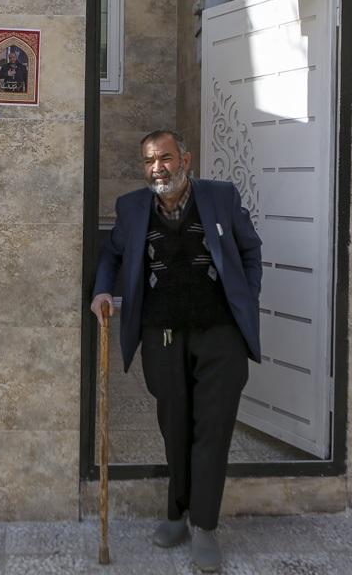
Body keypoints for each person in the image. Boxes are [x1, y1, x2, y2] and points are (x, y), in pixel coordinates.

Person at [90, 130, 262, 573]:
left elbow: (250, 250)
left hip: (220, 336)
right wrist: (102, 291)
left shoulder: (221, 197)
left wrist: (246, 300)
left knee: (213, 431)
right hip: (162, 336)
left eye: (165, 158)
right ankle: (176, 513)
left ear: (185, 159)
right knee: (175, 427)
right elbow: (111, 255)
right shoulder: (131, 207)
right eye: (149, 161)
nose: (157, 168)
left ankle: (204, 526)